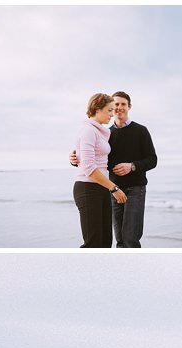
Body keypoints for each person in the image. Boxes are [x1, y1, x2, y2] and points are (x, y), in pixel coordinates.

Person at [71, 91, 158, 247]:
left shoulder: (140, 131)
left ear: (129, 107)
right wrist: (75, 159)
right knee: (117, 239)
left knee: (130, 238)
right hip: (111, 188)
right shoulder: (106, 132)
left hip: (135, 188)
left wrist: (132, 166)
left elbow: (152, 160)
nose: (117, 109)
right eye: (114, 105)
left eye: (122, 104)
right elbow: (97, 160)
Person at [73, 93, 127, 248]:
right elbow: (89, 167)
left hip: (100, 188)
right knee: (93, 244)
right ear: (97, 109)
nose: (112, 114)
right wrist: (114, 188)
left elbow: (89, 156)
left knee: (105, 243)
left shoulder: (99, 132)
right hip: (87, 188)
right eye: (109, 110)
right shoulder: (88, 130)